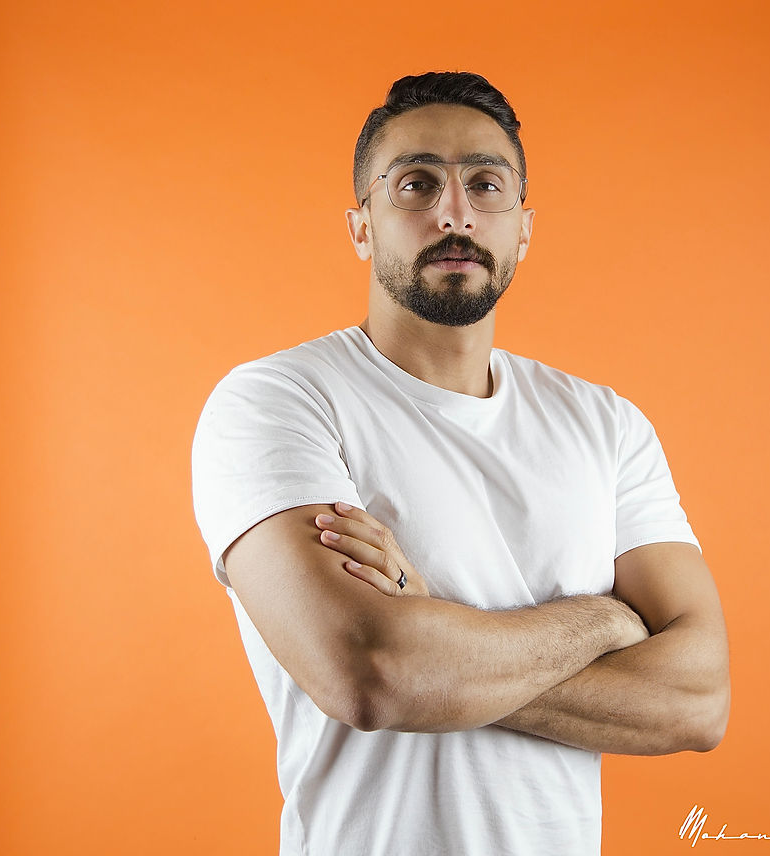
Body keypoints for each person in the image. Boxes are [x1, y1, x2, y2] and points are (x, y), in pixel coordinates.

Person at [191, 71, 730, 856]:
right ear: (361, 226)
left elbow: (697, 703)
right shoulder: (278, 401)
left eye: (486, 184)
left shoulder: (605, 424)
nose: (454, 212)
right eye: (415, 185)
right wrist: (607, 621)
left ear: (523, 227)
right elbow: (370, 677)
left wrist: (430, 620)